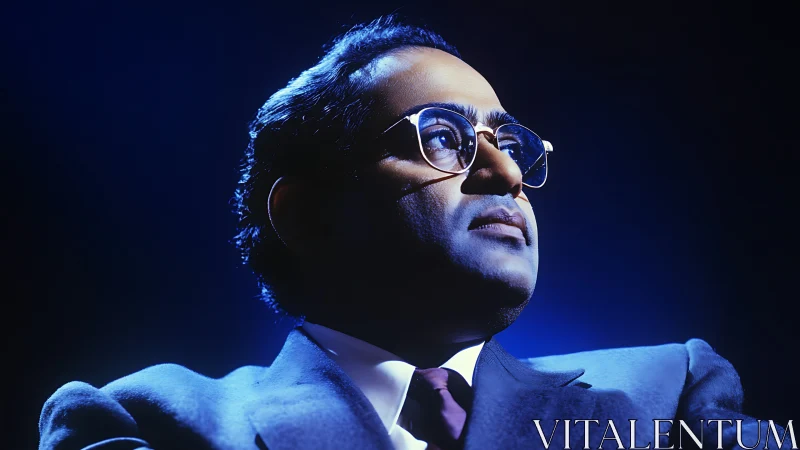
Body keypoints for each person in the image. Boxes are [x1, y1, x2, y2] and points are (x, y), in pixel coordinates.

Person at [38, 16, 791, 450]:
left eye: (511, 143)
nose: (507, 176)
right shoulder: (144, 423)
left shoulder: (666, 396)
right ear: (304, 213)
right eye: (442, 137)